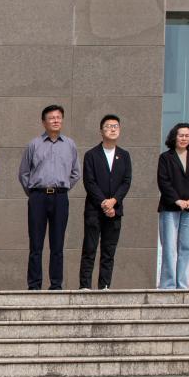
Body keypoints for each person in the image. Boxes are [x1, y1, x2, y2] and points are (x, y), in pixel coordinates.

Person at [19, 105, 80, 290]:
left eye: (58, 117)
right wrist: (33, 193)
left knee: (57, 244)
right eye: (51, 118)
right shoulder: (34, 144)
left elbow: (76, 173)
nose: (55, 120)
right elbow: (24, 173)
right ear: (43, 122)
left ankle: (56, 285)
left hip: (60, 197)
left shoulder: (70, 145)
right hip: (38, 197)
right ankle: (34, 285)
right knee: (36, 244)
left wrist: (63, 187)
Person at [78, 114, 132, 290]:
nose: (112, 129)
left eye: (115, 126)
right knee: (90, 248)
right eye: (108, 126)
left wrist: (114, 201)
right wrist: (104, 202)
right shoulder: (91, 155)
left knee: (109, 251)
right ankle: (85, 286)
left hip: (115, 211)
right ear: (101, 131)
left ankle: (105, 286)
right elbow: (89, 182)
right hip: (94, 210)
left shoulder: (124, 155)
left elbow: (126, 182)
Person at [157, 123, 189, 290]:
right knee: (169, 247)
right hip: (170, 207)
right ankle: (168, 285)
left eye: (187, 136)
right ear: (174, 137)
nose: (184, 138)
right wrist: (177, 200)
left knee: (186, 247)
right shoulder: (165, 157)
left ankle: (182, 285)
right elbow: (163, 181)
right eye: (181, 135)